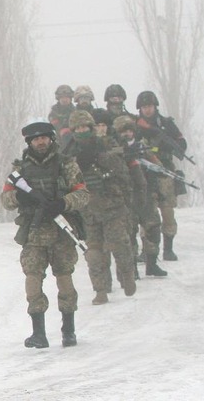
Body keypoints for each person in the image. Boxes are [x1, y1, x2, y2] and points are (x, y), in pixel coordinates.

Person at [1, 121, 89, 349]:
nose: (40, 142)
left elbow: (82, 195)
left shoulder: (66, 165)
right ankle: (38, 333)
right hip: (34, 233)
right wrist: (21, 198)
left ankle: (68, 331)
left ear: (51, 139)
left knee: (65, 278)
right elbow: (6, 199)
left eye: (44, 138)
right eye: (35, 139)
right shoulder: (20, 170)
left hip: (62, 231)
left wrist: (62, 203)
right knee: (32, 279)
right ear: (29, 142)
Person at [65, 110, 136, 305]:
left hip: (112, 207)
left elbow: (122, 173)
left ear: (91, 127)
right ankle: (100, 290)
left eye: (85, 127)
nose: (81, 131)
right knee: (94, 255)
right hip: (88, 212)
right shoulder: (69, 154)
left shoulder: (106, 145)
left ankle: (127, 274)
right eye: (78, 128)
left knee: (120, 245)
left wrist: (99, 158)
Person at [112, 115, 167, 277]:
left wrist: (146, 160)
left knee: (153, 228)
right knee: (128, 234)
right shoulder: (112, 150)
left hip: (146, 195)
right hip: (125, 197)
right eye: (123, 131)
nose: (127, 134)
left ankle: (152, 264)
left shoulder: (142, 147)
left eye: (129, 130)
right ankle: (131, 269)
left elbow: (160, 168)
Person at [135, 90, 187, 261]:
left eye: (149, 106)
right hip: (145, 172)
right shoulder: (136, 125)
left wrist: (169, 146)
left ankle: (168, 248)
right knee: (147, 213)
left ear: (155, 106)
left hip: (165, 171)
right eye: (144, 107)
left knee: (167, 211)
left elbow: (181, 142)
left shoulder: (166, 124)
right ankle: (147, 250)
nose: (147, 110)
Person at [48, 84, 76, 149]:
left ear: (70, 98)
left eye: (66, 97)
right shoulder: (53, 113)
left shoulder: (75, 112)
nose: (64, 100)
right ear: (58, 98)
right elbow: (54, 127)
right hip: (57, 143)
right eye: (62, 97)